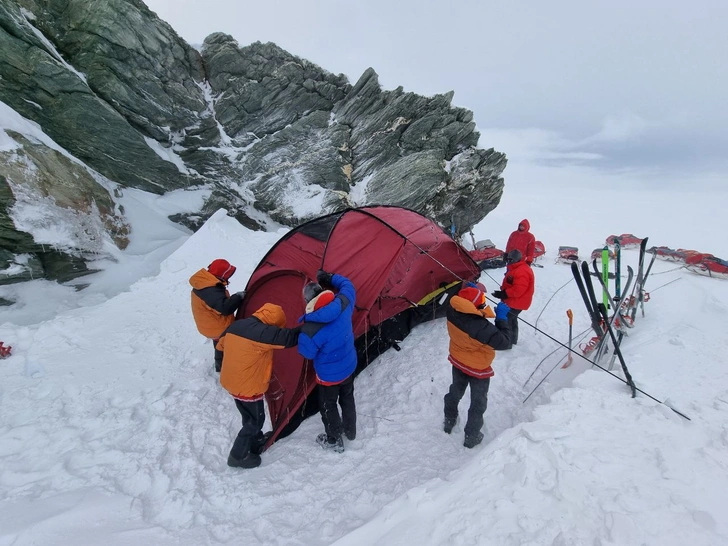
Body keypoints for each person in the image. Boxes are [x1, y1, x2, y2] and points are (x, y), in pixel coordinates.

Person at [216, 303, 300, 469]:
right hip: (247, 386)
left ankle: (256, 441)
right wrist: (310, 326)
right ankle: (237, 456)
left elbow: (220, 346)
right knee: (255, 420)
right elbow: (289, 338)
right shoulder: (263, 333)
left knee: (248, 416)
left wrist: (221, 364)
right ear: (273, 322)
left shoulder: (237, 325)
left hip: (232, 381)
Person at [444, 282, 512, 448]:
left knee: (456, 390)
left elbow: (468, 311)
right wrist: (502, 319)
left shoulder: (452, 309)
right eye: (481, 299)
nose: (484, 302)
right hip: (477, 368)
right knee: (478, 402)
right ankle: (471, 436)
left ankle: (449, 419)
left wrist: (472, 292)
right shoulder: (481, 326)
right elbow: (505, 342)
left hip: (458, 359)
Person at [298, 270, 357, 453]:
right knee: (347, 397)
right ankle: (351, 430)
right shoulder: (344, 303)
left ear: (308, 303)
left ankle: (333, 439)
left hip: (328, 377)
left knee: (328, 405)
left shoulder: (311, 329)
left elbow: (306, 353)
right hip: (349, 366)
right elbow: (348, 284)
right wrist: (330, 278)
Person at [189, 259, 244, 372]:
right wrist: (238, 297)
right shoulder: (210, 290)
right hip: (216, 327)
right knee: (226, 345)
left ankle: (220, 365)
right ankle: (226, 366)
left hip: (208, 323)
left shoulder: (204, 282)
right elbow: (225, 308)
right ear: (222, 275)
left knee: (220, 343)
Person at [491, 249, 535, 345]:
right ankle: (512, 340)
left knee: (505, 320)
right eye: (508, 259)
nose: (509, 261)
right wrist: (503, 290)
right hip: (515, 301)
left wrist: (503, 294)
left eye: (511, 260)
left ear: (517, 259)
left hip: (516, 301)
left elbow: (518, 290)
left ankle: (506, 342)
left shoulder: (521, 271)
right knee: (512, 320)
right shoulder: (517, 268)